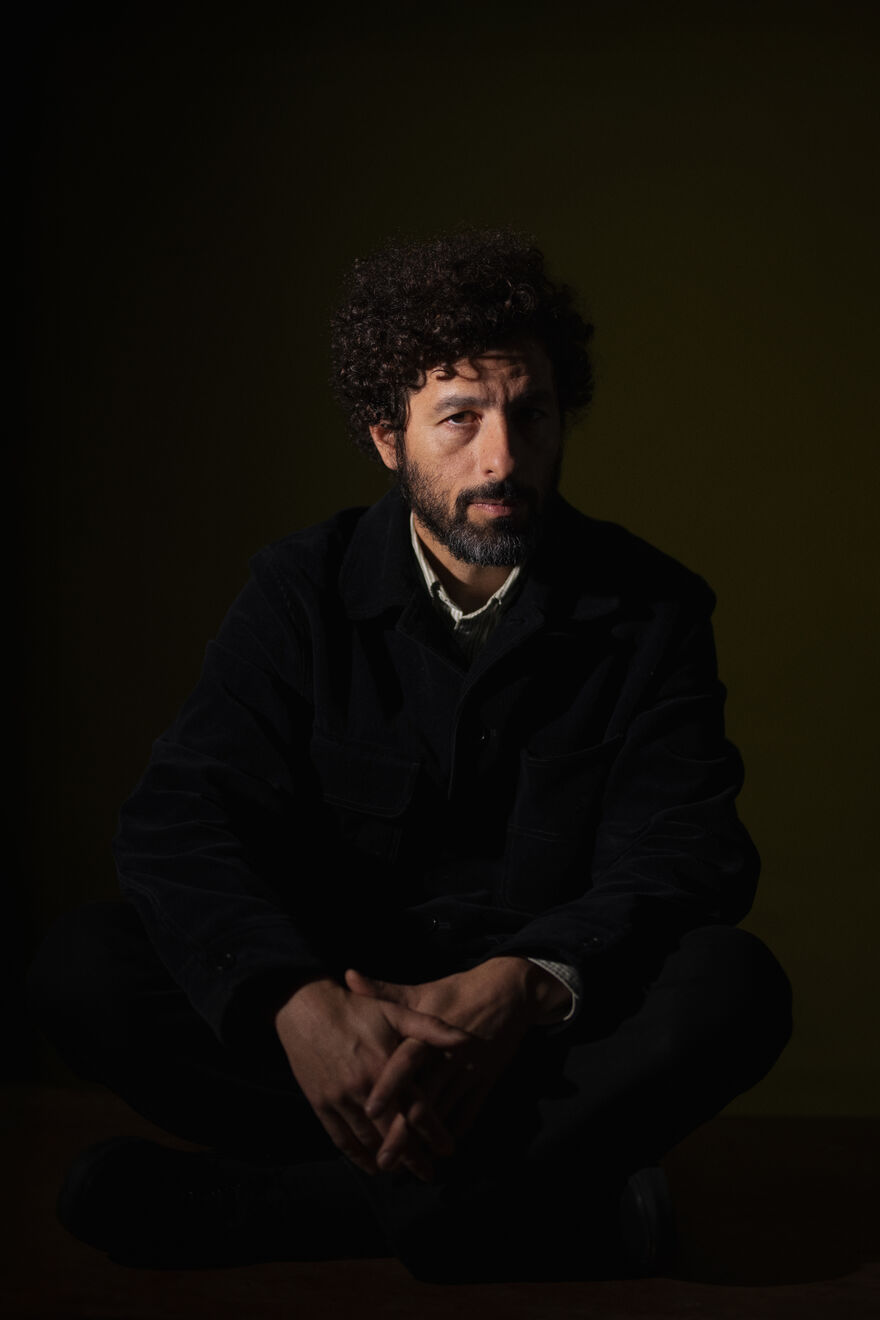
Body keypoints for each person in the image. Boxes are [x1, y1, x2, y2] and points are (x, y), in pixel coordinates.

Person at [29, 228, 792, 1283]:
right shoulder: (299, 591)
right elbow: (180, 820)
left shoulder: (653, 609)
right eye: (459, 419)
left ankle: (284, 1210)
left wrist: (521, 986)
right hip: (328, 1043)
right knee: (82, 966)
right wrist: (296, 1006)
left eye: (529, 413)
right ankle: (523, 1205)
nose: (502, 457)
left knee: (732, 987)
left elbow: (689, 847)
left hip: (537, 1054)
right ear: (388, 438)